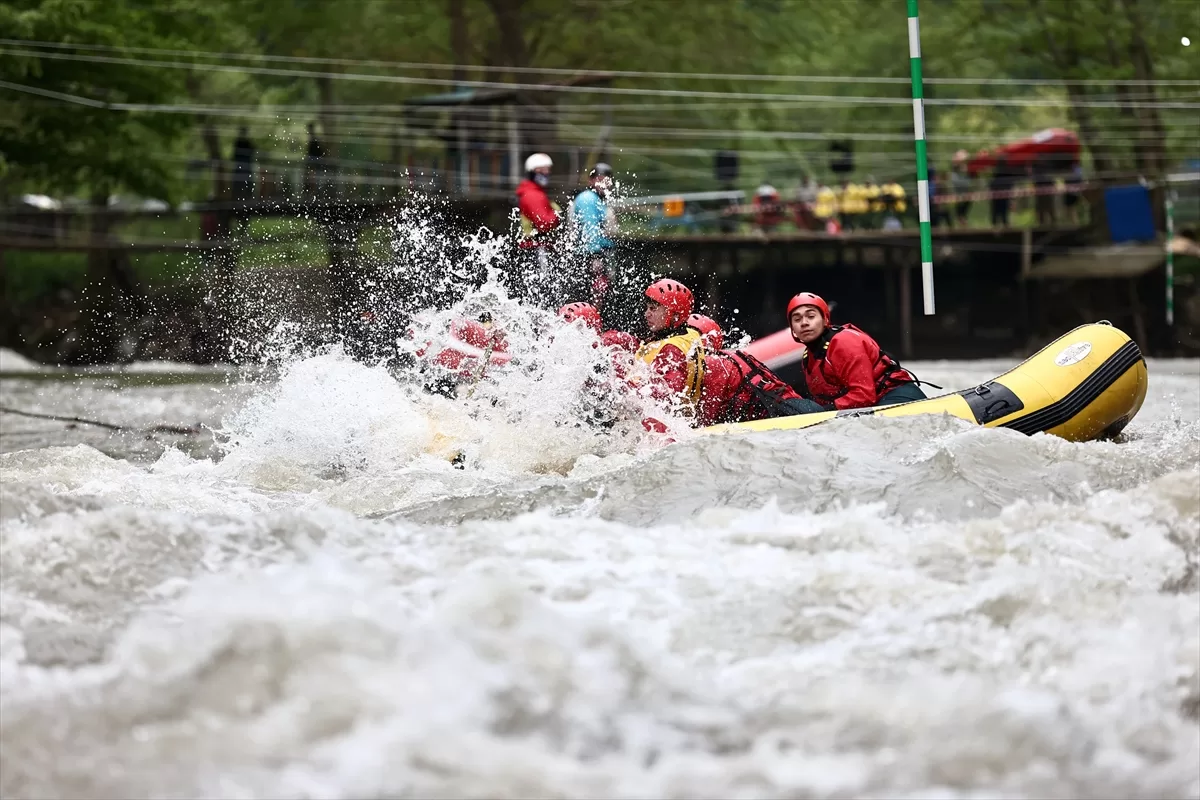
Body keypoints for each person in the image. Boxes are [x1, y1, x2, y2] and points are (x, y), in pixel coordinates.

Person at [786, 292, 927, 410]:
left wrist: (826, 410)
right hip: (871, 404)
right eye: (797, 319)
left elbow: (863, 395)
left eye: (811, 316)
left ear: (825, 320)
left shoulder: (844, 342)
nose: (804, 323)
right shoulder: (808, 358)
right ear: (792, 328)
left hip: (897, 396)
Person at [687, 315, 814, 427]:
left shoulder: (712, 364)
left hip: (787, 413)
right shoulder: (728, 356)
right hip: (799, 407)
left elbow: (706, 418)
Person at [633, 279, 707, 416]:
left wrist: (623, 390)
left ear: (675, 315)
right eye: (647, 308)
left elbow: (664, 399)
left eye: (653, 309)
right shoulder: (690, 334)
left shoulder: (672, 351)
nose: (647, 314)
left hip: (661, 422)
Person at [513, 152, 564, 303]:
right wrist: (557, 215)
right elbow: (544, 223)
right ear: (532, 172)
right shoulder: (532, 195)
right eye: (542, 170)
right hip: (536, 248)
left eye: (548, 170)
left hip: (536, 248)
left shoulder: (535, 193)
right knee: (542, 288)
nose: (546, 173)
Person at [567, 163, 617, 308]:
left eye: (607, 180)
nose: (604, 183)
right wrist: (595, 256)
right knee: (593, 299)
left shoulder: (597, 200)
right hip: (589, 257)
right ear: (591, 180)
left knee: (598, 297)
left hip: (595, 255)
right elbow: (590, 230)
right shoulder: (588, 199)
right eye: (600, 179)